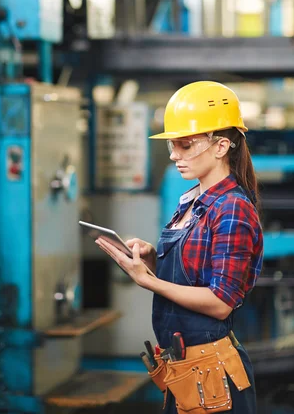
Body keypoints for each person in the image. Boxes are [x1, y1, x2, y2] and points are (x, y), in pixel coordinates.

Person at [95, 81, 264, 414]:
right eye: (173, 144)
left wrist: (149, 281)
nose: (174, 155)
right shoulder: (192, 200)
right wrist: (152, 262)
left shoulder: (232, 208)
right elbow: (194, 281)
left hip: (213, 376)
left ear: (221, 146)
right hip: (183, 369)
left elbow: (219, 303)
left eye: (185, 145)